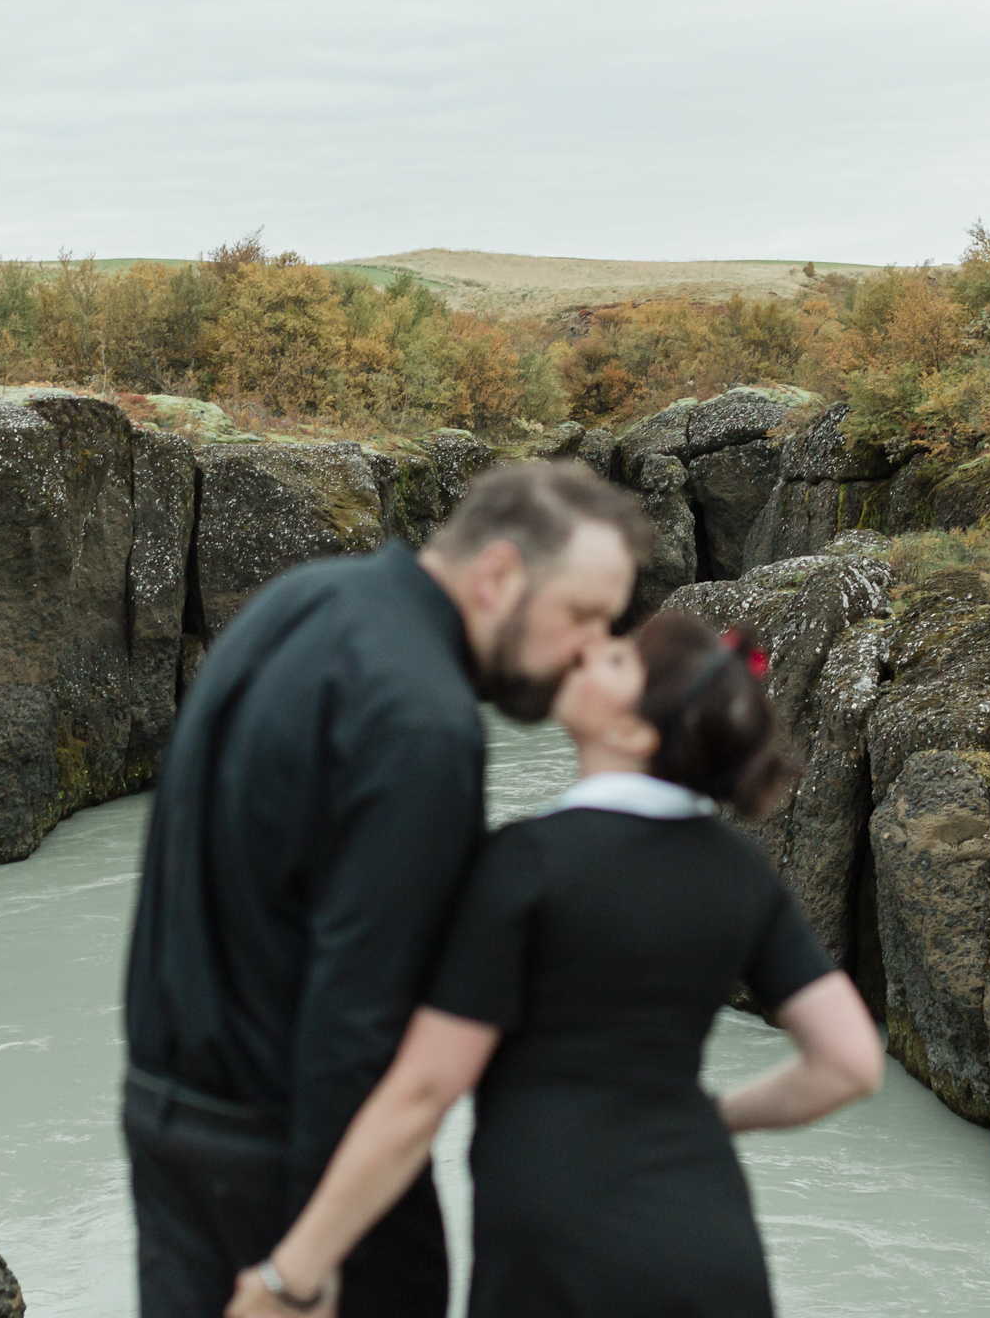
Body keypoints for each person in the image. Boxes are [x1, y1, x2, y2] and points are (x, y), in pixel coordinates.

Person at [228, 610, 887, 1318]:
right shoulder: (743, 873)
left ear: (634, 731)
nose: (592, 647)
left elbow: (423, 1094)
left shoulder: (526, 863)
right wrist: (706, 1117)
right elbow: (849, 1065)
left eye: (617, 660)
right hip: (714, 1244)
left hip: (559, 1252)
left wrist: (290, 1275)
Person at [122, 461, 652, 1318]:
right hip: (297, 1168)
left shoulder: (298, 602)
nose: (591, 651)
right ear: (500, 575)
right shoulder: (423, 723)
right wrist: (306, 1265)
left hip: (166, 1122)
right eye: (583, 616)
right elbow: (358, 1024)